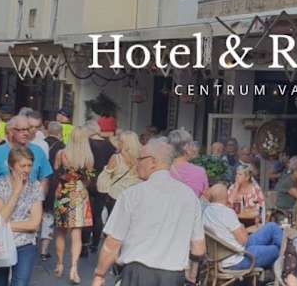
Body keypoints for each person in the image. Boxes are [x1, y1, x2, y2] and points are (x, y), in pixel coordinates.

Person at [91, 137, 205, 286]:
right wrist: (192, 275)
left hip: (137, 275)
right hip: (173, 277)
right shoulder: (189, 197)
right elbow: (198, 248)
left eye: (140, 159)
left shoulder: (132, 195)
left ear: (152, 162)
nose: (136, 163)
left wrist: (100, 275)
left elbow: (112, 243)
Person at [0, 115, 52, 231]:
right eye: (21, 130)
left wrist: (38, 204)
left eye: (28, 129)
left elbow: (44, 179)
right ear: (11, 131)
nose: (26, 133)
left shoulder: (38, 151)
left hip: (27, 215)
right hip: (1, 209)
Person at [0, 146, 44, 286]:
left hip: (25, 243)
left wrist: (4, 225)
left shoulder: (35, 186)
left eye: (29, 165)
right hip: (0, 242)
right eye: (22, 166)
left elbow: (34, 224)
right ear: (11, 165)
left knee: (20, 283)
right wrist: (16, 192)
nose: (27, 170)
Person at [204, 183, 283, 269]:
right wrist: (242, 226)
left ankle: (278, 259)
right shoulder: (226, 212)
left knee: (271, 226)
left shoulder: (206, 212)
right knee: (277, 249)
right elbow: (244, 240)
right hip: (238, 258)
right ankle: (286, 259)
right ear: (226, 197)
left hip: (229, 252)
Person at [53, 126, 95, 284]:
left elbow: (56, 173)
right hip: (79, 194)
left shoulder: (61, 154)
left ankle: (60, 264)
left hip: (63, 193)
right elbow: (88, 180)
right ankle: (74, 268)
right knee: (76, 234)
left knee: (61, 232)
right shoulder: (88, 157)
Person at [82, 119, 116, 254]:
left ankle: (84, 245)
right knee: (97, 214)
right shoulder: (110, 144)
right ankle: (95, 244)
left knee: (87, 214)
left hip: (89, 180)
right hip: (103, 182)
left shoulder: (87, 144)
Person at [40, 121, 65, 261]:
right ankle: (44, 250)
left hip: (39, 181)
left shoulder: (40, 144)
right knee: (49, 215)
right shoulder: (62, 147)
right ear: (60, 133)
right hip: (53, 183)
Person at [101, 130, 141, 214]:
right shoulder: (141, 159)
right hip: (135, 196)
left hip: (116, 195)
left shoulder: (116, 158)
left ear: (123, 143)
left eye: (119, 140)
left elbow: (104, 178)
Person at [168, 129, 209, 197]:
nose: (194, 148)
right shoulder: (200, 172)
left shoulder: (164, 170)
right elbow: (206, 196)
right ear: (187, 147)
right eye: (192, 144)